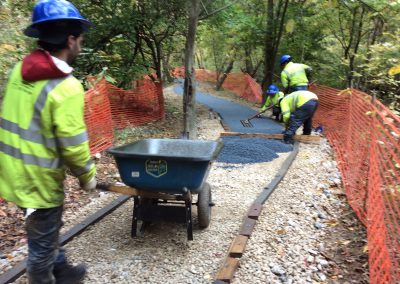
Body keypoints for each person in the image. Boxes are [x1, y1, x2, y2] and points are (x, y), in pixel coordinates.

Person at [0, 0, 96, 283]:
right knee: (40, 247)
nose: (81, 44)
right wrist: (87, 175)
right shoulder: (66, 87)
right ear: (70, 39)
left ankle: (62, 269)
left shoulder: (20, 70)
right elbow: (74, 144)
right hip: (38, 180)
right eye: (80, 38)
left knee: (46, 230)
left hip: (12, 169)